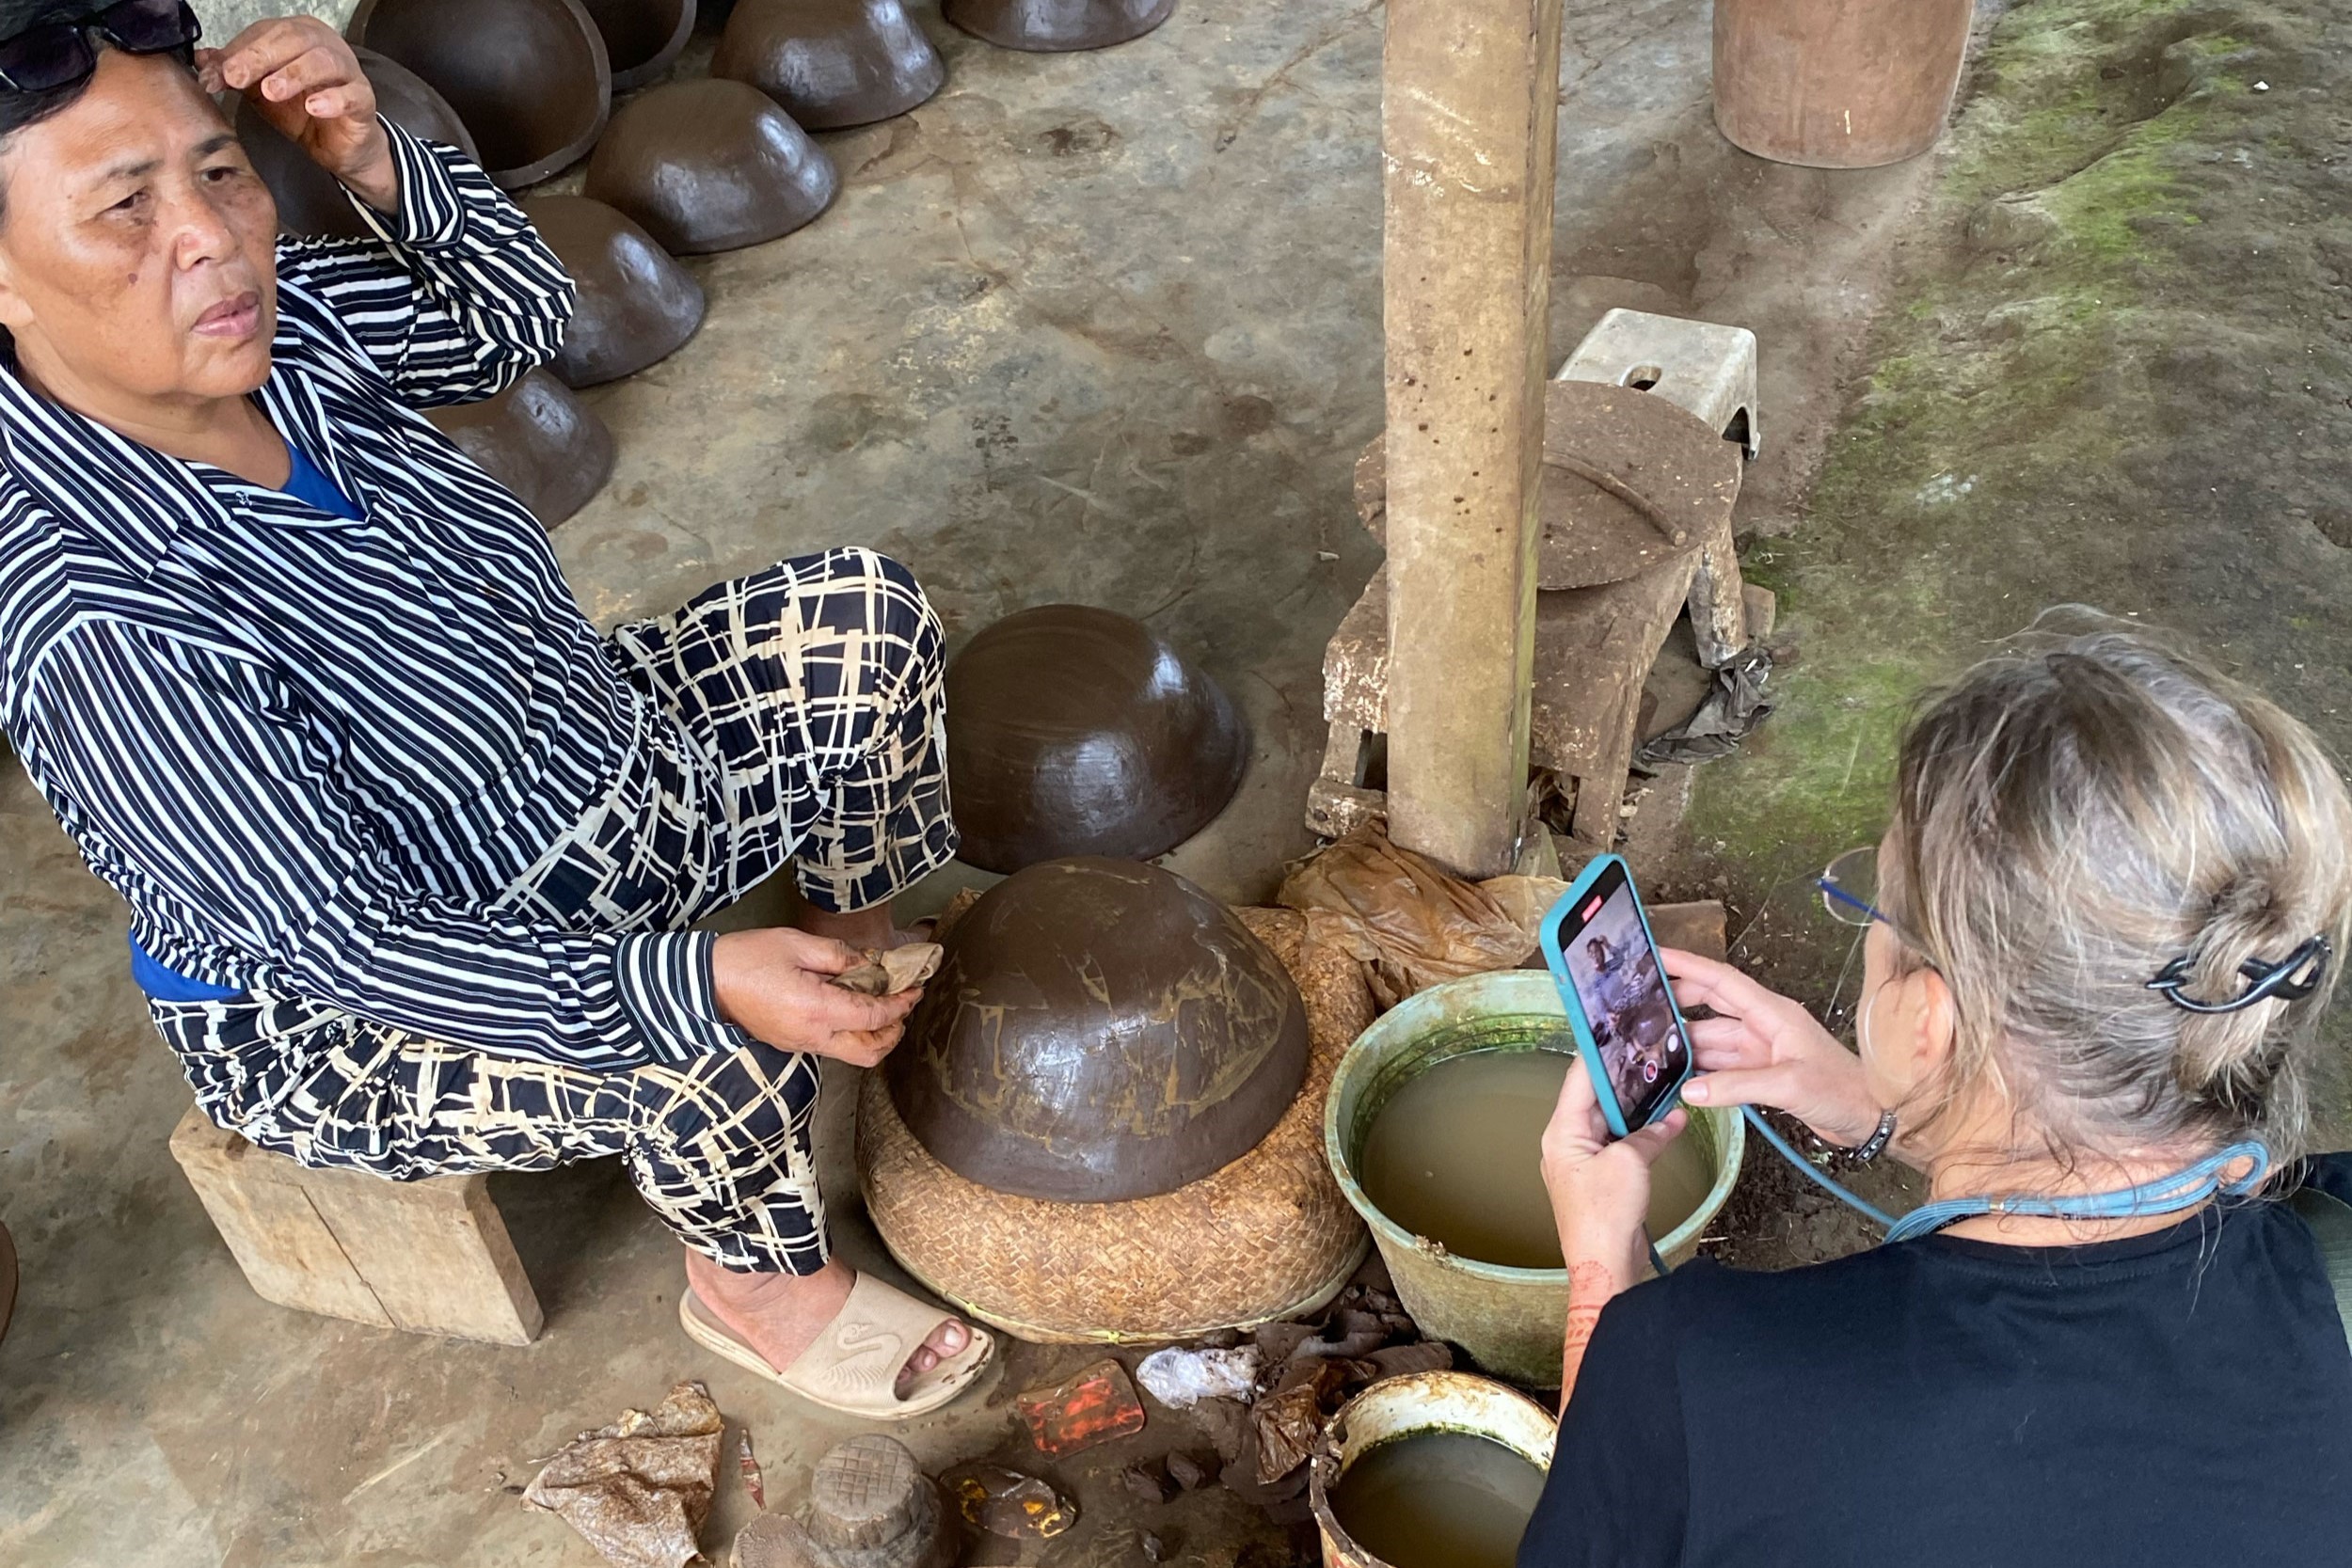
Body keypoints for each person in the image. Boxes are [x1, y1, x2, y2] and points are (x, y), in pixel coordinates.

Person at [0, 7, 987, 1416]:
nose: (212, 237)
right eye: (122, 207)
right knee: (701, 1035)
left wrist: (375, 160)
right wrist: (689, 977)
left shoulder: (280, 331)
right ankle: (758, 1283)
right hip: (361, 992)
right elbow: (351, 941)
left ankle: (850, 957)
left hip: (574, 752)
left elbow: (518, 317)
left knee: (861, 614)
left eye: (215, 169)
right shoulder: (94, 619)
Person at [1522, 623, 2352, 1566]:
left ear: (1930, 1017)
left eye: (1866, 912)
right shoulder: (2335, 1240)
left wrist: (1600, 1263)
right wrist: (1890, 1110)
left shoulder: (1691, 1375)